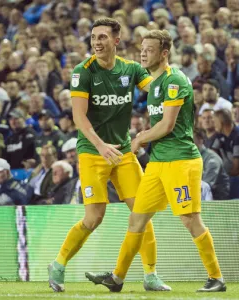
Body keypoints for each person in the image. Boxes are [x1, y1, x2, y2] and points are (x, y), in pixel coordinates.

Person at [87, 30, 226, 293]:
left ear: (164, 53)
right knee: (136, 220)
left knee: (190, 219)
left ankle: (216, 277)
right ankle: (117, 278)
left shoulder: (175, 81)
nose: (143, 53)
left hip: (181, 162)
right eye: (142, 48)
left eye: (149, 49)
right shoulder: (154, 83)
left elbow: (167, 124)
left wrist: (139, 139)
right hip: (158, 163)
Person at [48, 18, 169, 293]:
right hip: (93, 152)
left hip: (123, 152)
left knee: (142, 211)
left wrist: (171, 83)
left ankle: (150, 275)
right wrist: (101, 145)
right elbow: (78, 116)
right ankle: (58, 264)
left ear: (116, 40)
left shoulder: (131, 69)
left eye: (102, 37)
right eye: (93, 38)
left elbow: (156, 89)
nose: (96, 43)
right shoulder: (83, 71)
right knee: (94, 217)